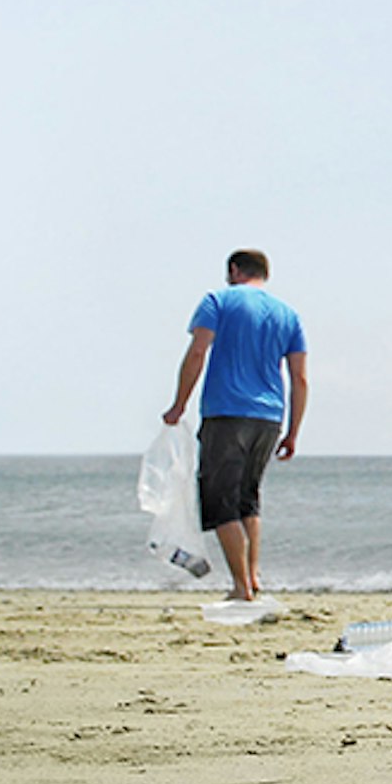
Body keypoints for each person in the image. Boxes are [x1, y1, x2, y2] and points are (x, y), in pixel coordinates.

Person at [163, 248, 306, 606]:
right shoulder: (287, 314)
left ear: (234, 270)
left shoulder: (217, 301)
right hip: (269, 417)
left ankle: (241, 587)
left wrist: (179, 403)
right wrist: (293, 431)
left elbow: (198, 352)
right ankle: (252, 578)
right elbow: (300, 378)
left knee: (221, 502)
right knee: (248, 501)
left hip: (227, 413)